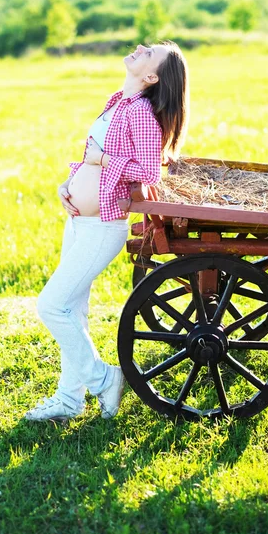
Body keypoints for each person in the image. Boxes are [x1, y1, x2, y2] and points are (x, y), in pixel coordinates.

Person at [25, 40, 189, 422]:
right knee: (73, 311)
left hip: (103, 226)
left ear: (151, 76)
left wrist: (102, 159)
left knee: (51, 305)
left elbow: (149, 173)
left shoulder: (142, 115)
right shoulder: (117, 101)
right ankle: (69, 400)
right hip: (79, 221)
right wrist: (69, 184)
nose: (140, 47)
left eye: (149, 53)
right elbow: (89, 158)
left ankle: (104, 380)